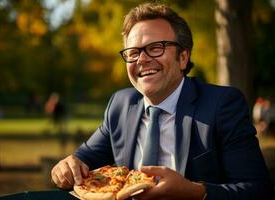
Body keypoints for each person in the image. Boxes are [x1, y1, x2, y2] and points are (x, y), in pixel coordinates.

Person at [51, 3, 274, 199]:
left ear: (183, 58)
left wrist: (194, 192)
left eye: (155, 48)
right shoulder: (120, 105)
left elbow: (257, 190)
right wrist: (66, 167)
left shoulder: (222, 104)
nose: (143, 59)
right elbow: (81, 161)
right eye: (133, 52)